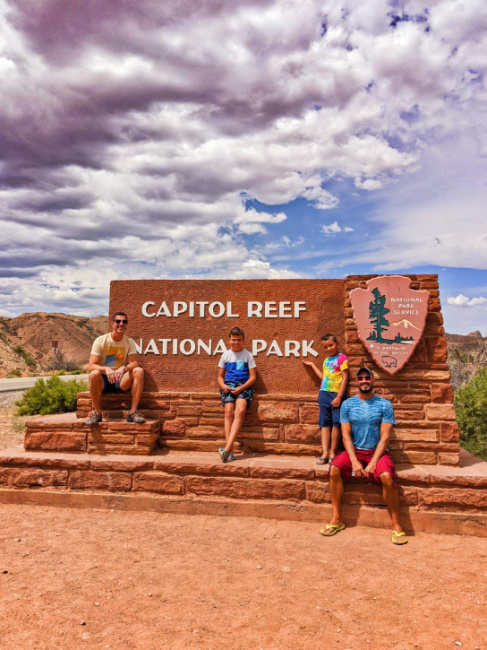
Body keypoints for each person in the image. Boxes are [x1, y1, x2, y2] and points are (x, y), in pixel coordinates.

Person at [320, 366, 408, 544]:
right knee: (335, 468)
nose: (364, 381)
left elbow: (385, 438)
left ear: (373, 380)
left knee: (386, 477)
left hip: (377, 452)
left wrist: (373, 462)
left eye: (367, 377)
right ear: (357, 382)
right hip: (355, 451)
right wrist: (354, 461)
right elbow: (345, 435)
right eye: (360, 378)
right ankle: (336, 519)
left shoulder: (384, 405)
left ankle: (396, 525)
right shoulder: (348, 404)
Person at [86, 311, 146, 426]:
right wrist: (106, 369)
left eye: (124, 321)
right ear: (112, 323)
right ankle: (97, 413)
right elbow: (91, 366)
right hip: (103, 380)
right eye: (118, 321)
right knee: (93, 374)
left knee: (139, 371)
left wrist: (123, 368)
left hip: (120, 380)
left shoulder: (129, 342)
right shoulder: (101, 341)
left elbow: (134, 363)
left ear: (127, 324)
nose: (121, 324)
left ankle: (133, 413)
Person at [303, 334, 349, 464]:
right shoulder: (326, 361)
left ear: (337, 343)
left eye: (331, 345)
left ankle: (333, 452)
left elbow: (345, 378)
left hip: (336, 394)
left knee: (336, 423)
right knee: (324, 424)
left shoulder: (342, 358)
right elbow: (324, 378)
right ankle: (324, 452)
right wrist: (312, 366)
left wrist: (339, 396)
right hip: (324, 394)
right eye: (325, 347)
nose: (329, 348)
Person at [217, 327, 256, 463]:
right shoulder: (225, 356)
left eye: (239, 340)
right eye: (233, 340)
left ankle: (226, 449)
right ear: (229, 340)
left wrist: (241, 388)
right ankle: (230, 451)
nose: (236, 342)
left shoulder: (248, 355)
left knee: (240, 411)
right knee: (228, 411)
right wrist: (223, 386)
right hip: (228, 387)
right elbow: (220, 377)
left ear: (243, 340)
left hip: (244, 387)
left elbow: (252, 377)